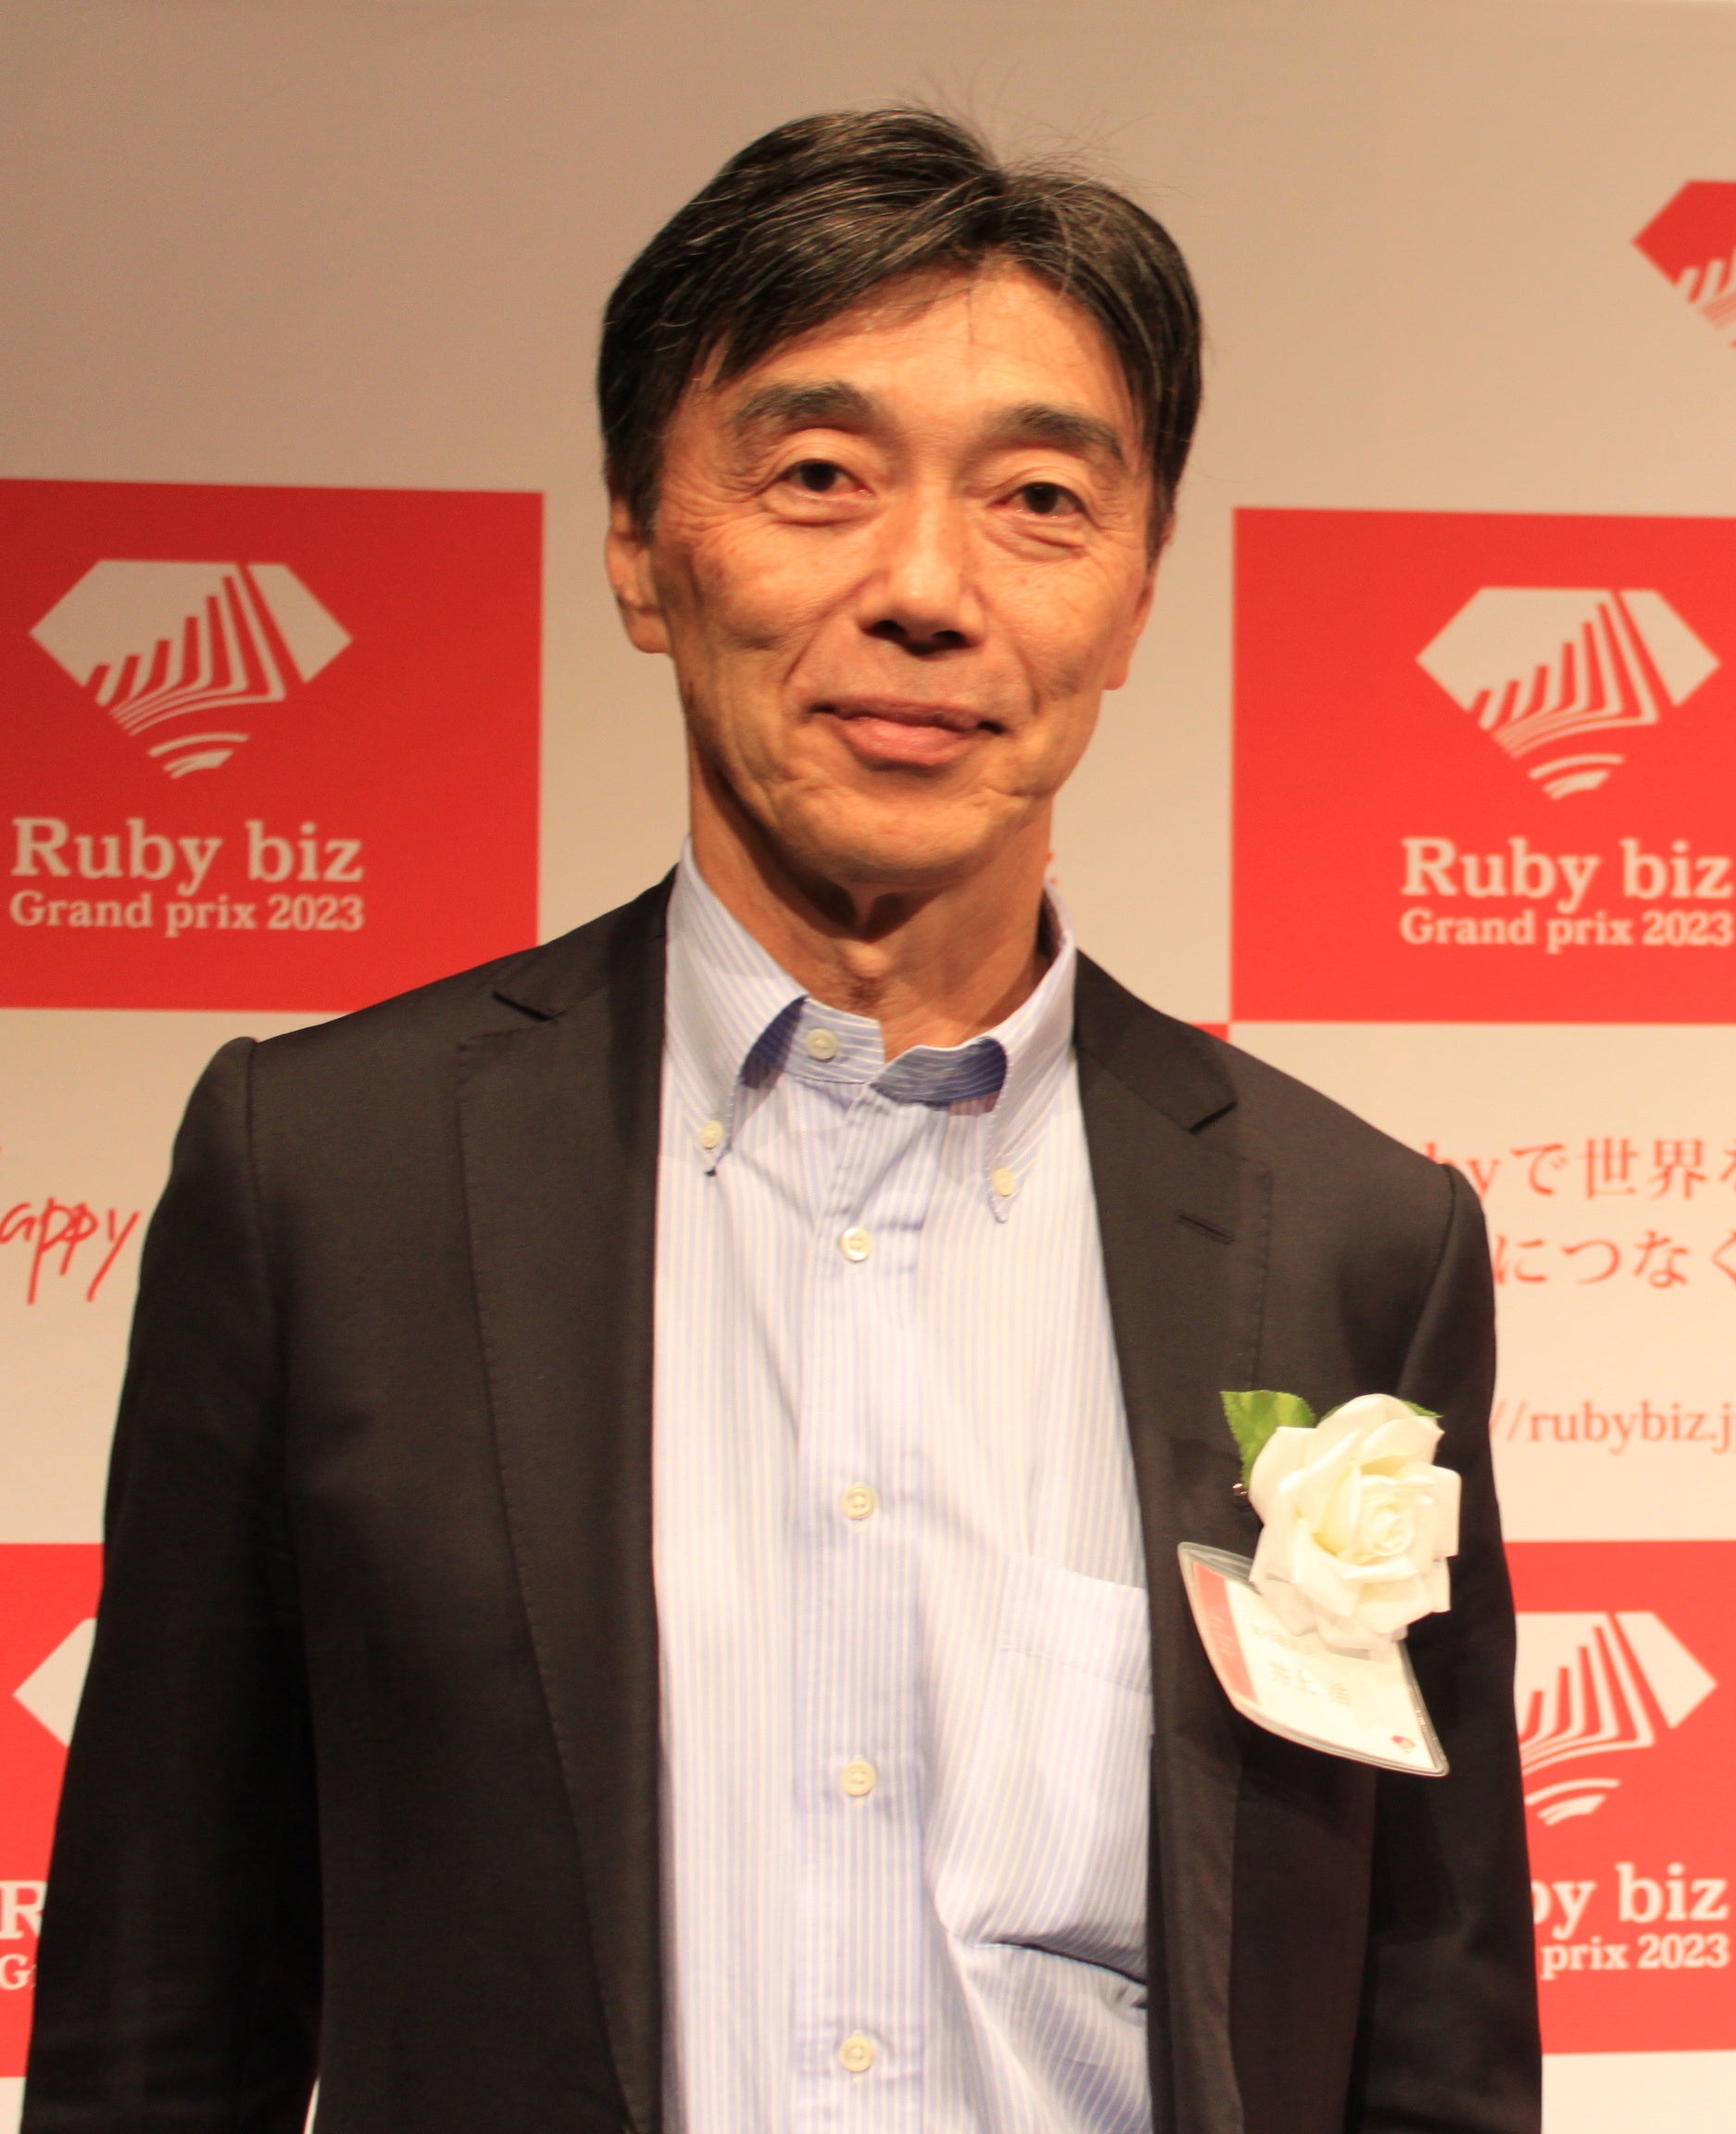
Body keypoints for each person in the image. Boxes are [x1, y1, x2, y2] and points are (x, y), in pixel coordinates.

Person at [26, 108, 1539, 2134]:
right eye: (819, 475)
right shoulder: (328, 1177)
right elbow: (161, 2012)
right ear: (641, 545)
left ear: (1137, 594)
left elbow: (1431, 2012)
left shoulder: (1351, 1237)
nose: (926, 590)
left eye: (1038, 499)